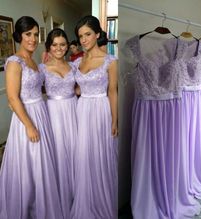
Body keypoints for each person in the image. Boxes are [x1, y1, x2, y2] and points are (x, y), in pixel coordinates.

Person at [0, 16, 63, 219]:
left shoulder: (34, 61)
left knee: (42, 164)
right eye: (28, 34)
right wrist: (29, 126)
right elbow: (12, 97)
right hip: (26, 117)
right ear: (19, 36)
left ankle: (42, 205)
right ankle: (27, 208)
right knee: (28, 165)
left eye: (36, 34)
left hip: (41, 113)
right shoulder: (14, 62)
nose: (33, 39)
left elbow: (41, 86)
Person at [70, 15, 118, 219]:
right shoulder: (77, 61)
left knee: (100, 155)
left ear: (97, 34)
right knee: (83, 155)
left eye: (87, 34)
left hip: (100, 110)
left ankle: (101, 200)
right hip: (82, 110)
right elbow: (78, 89)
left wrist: (115, 120)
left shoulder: (110, 60)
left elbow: (113, 92)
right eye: (80, 36)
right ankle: (86, 199)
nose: (83, 40)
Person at [38, 28, 78, 219]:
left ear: (68, 46)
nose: (59, 48)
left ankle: (78, 197)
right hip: (53, 113)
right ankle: (60, 199)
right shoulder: (42, 68)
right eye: (54, 45)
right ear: (49, 47)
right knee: (58, 154)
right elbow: (29, 89)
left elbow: (80, 88)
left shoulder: (74, 66)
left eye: (62, 44)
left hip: (73, 110)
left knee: (76, 152)